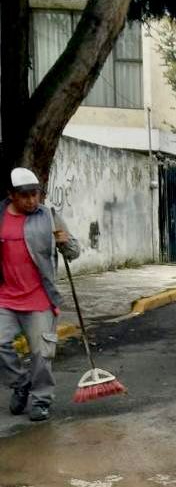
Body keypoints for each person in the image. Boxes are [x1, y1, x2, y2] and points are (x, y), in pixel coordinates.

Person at [0, 167, 81, 422]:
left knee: (41, 354)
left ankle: (41, 400)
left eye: (36, 194)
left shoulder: (48, 215)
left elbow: (74, 251)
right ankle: (21, 383)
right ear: (11, 195)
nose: (32, 200)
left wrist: (64, 242)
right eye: (25, 195)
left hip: (39, 299)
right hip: (6, 297)